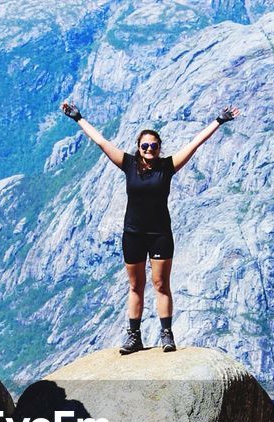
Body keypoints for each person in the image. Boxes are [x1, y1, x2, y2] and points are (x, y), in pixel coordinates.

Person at [60, 100, 240, 354]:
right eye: (145, 146)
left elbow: (195, 143)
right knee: (136, 286)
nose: (149, 149)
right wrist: (78, 118)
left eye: (154, 146)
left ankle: (167, 334)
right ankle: (134, 336)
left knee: (160, 284)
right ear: (138, 148)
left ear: (159, 148)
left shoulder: (167, 167)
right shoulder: (128, 164)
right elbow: (101, 141)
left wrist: (219, 121)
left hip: (160, 235)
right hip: (133, 234)